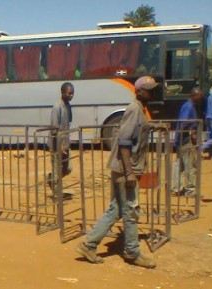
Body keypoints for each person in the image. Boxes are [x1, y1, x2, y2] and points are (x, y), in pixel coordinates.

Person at [75, 76, 163, 269]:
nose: (152, 92)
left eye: (154, 89)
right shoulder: (134, 109)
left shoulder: (140, 110)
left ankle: (88, 244)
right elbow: (124, 142)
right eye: (149, 89)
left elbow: (137, 131)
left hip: (124, 168)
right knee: (130, 210)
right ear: (139, 91)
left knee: (116, 209)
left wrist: (154, 126)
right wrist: (130, 173)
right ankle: (132, 252)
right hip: (125, 170)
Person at [172, 88, 203, 195]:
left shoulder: (188, 106)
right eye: (199, 96)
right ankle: (190, 189)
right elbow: (184, 123)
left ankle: (177, 187)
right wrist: (192, 135)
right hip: (185, 139)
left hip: (182, 138)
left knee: (179, 165)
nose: (201, 99)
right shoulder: (189, 106)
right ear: (194, 95)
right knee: (190, 165)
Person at [47, 82, 74, 192]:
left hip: (65, 144)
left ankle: (52, 179)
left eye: (72, 93)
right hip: (56, 144)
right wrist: (60, 145)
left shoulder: (68, 105)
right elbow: (54, 129)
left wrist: (67, 141)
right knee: (57, 169)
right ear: (62, 92)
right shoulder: (57, 107)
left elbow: (68, 123)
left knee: (68, 168)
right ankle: (57, 197)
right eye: (69, 93)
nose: (71, 95)